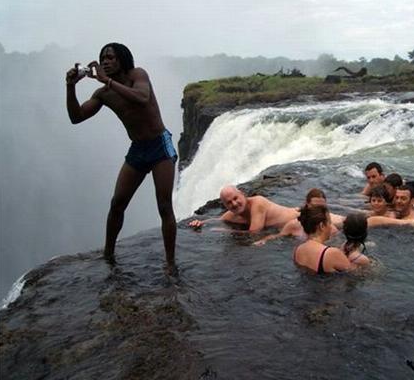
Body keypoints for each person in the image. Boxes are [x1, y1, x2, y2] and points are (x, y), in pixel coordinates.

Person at [65, 43, 177, 272]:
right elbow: (76, 117)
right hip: (138, 149)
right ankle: (108, 254)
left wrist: (107, 80)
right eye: (103, 58)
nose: (105, 61)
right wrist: (70, 87)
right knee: (117, 203)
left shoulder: (138, 75)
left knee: (164, 206)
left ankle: (170, 263)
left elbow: (142, 98)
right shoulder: (104, 94)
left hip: (159, 146)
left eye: (110, 57)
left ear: (122, 59)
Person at [253, 188, 343, 246]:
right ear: (307, 204)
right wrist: (264, 240)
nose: (318, 210)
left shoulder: (331, 229)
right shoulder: (294, 225)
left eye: (321, 207)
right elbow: (278, 236)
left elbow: (336, 246)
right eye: (315, 206)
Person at [188, 185, 299, 232]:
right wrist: (200, 223)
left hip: (299, 219)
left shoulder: (258, 203)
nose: (234, 204)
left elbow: (254, 233)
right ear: (226, 206)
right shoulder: (231, 215)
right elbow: (217, 220)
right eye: (229, 203)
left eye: (236, 198)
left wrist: (226, 231)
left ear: (242, 194)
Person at [293, 205, 352, 274]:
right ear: (322, 226)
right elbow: (353, 274)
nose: (331, 227)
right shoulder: (331, 253)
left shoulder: (297, 250)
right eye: (330, 223)